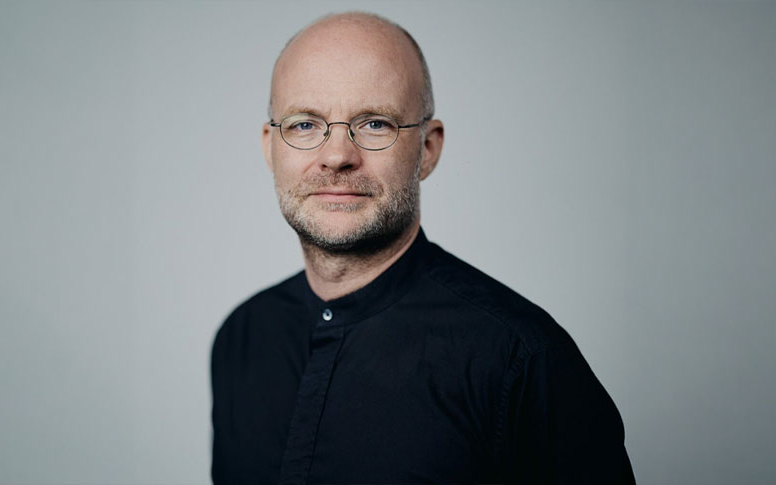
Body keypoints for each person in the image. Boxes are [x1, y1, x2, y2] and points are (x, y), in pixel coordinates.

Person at [211, 11, 634, 484]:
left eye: (375, 123)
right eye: (305, 124)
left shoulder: (522, 361)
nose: (337, 156)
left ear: (428, 149)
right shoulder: (240, 339)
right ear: (270, 147)